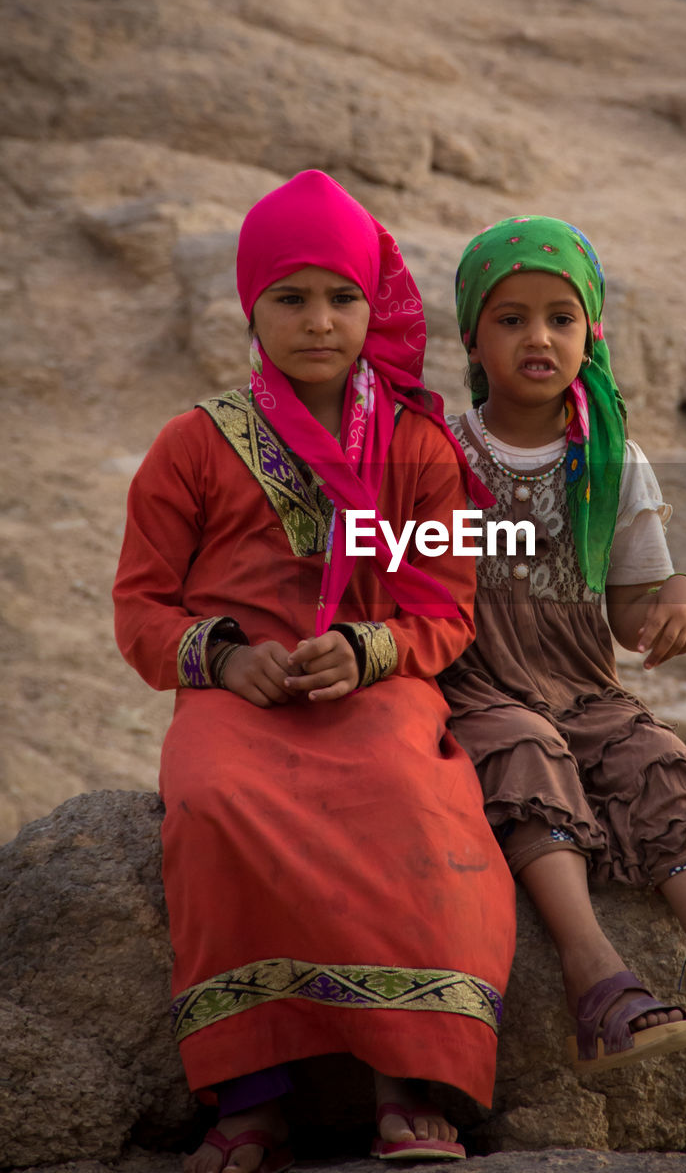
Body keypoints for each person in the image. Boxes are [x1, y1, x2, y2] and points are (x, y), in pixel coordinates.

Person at [113, 171, 516, 1170]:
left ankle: (405, 1082)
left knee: (407, 795)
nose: (319, 322)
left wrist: (368, 648)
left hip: (374, 687)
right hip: (237, 699)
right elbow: (140, 605)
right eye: (289, 298)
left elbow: (441, 604)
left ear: (370, 304)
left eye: (340, 296)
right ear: (250, 307)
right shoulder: (192, 443)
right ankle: (250, 1099)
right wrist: (225, 657)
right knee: (208, 800)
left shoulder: (416, 444)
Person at [438, 214, 686, 1075]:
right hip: (481, 684)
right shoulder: (441, 452)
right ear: (471, 336)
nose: (538, 337)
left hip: (582, 683)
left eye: (561, 318)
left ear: (589, 333)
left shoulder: (610, 459)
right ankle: (593, 974)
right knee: (528, 757)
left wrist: (676, 596)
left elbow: (633, 605)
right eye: (511, 318)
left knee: (655, 760)